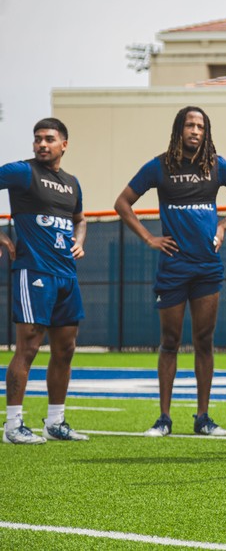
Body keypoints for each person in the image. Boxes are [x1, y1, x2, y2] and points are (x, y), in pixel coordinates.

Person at [114, 106, 226, 438]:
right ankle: (164, 419)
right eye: (189, 125)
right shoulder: (159, 166)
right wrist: (149, 238)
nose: (195, 130)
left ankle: (203, 417)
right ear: (179, 129)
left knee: (204, 341)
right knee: (170, 341)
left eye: (200, 125)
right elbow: (122, 203)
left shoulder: (217, 165)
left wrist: (225, 225)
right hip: (172, 267)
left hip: (207, 267)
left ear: (206, 131)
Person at [2, 118, 87, 444]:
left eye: (49, 139)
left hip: (66, 275)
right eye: (37, 139)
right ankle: (12, 426)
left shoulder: (72, 183)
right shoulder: (22, 172)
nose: (41, 144)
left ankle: (55, 422)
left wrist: (80, 240)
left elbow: (80, 220)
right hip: (33, 271)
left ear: (64, 144)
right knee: (29, 347)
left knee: (65, 349)